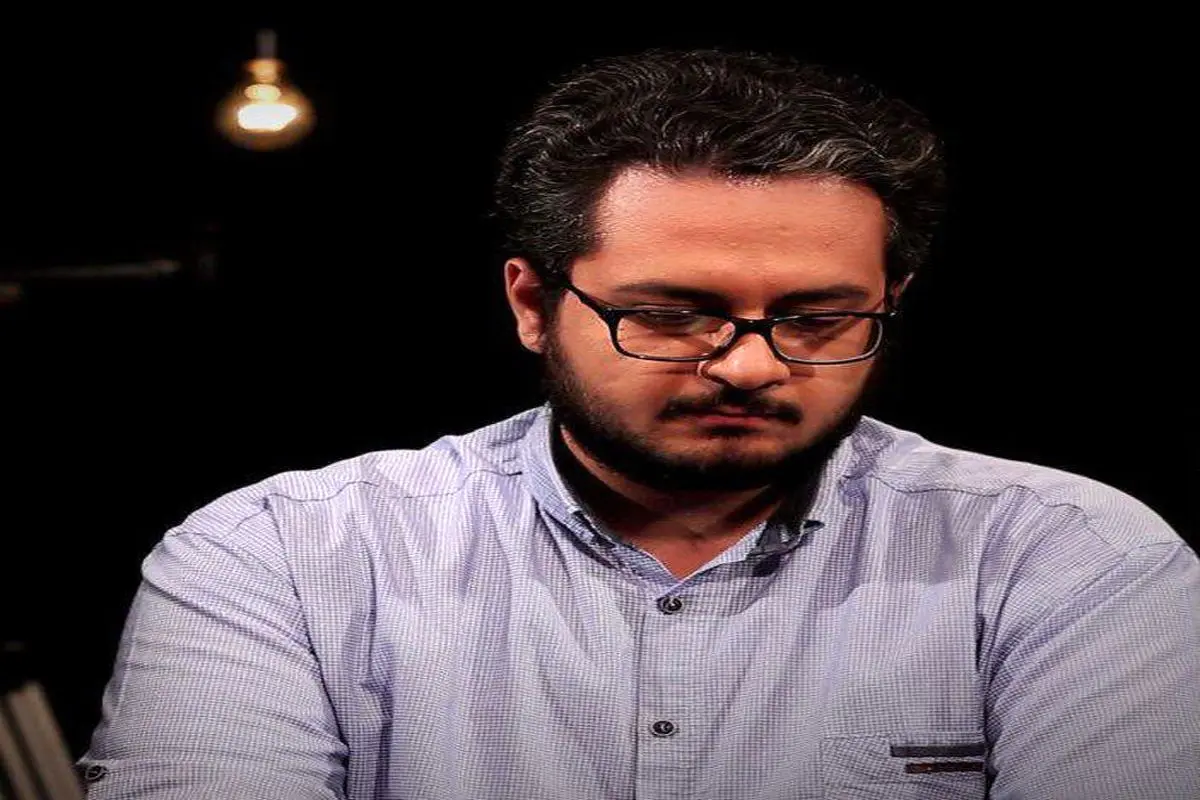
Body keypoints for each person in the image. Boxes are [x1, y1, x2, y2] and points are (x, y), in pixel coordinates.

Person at [77, 48, 1199, 800]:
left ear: (888, 301)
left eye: (818, 318)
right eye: (671, 314)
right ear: (531, 303)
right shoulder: (280, 558)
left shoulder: (1068, 558)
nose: (752, 364)